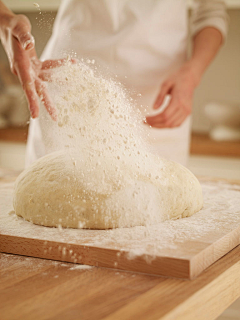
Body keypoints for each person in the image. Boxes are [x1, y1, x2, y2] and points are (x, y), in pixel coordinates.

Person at [0, 0, 228, 166]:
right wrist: (5, 21)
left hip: (156, 103)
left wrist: (193, 72)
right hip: (68, 91)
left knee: (153, 220)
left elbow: (212, 10)